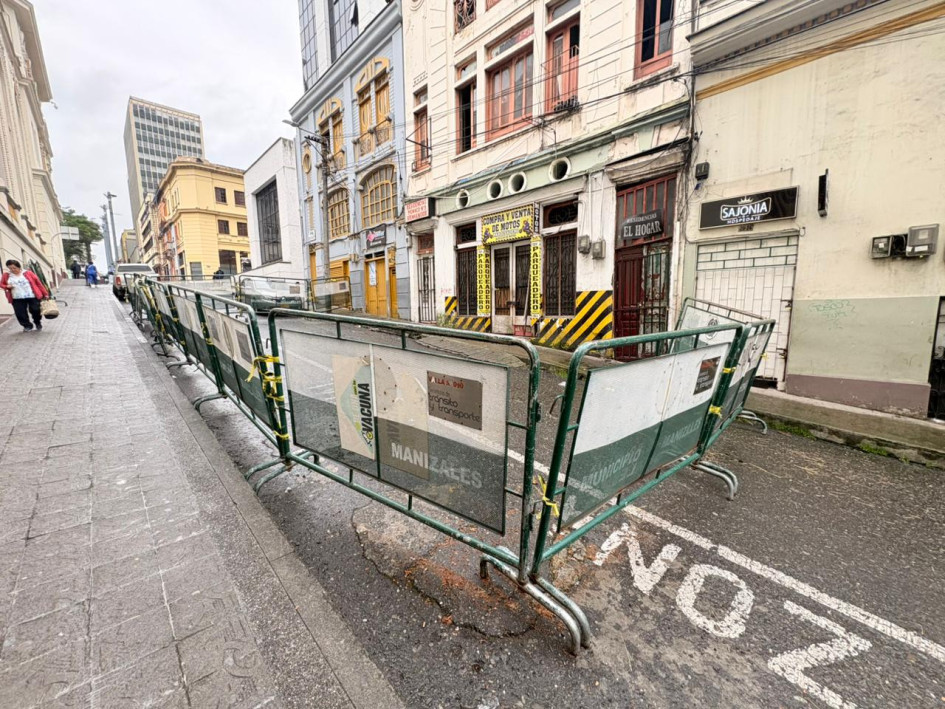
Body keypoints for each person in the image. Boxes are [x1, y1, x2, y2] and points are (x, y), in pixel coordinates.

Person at [1, 259, 49, 332]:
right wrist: (7, 286)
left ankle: (37, 322)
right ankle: (27, 325)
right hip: (17, 297)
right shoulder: (7, 275)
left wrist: (45, 294)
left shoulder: (28, 273)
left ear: (19, 267)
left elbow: (38, 283)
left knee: (36, 310)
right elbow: (2, 284)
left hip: (32, 296)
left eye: (14, 268)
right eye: (10, 268)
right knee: (20, 313)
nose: (12, 270)